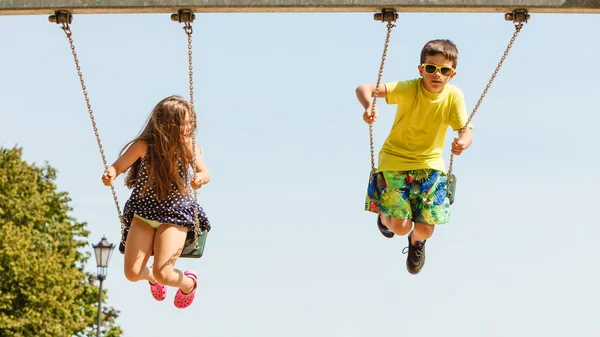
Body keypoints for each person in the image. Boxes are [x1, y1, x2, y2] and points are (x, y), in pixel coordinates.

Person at [355, 39, 472, 275]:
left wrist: (463, 143)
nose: (437, 75)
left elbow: (465, 130)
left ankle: (416, 243)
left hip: (430, 165)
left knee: (426, 229)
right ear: (421, 70)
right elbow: (364, 88)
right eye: (431, 68)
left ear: (452, 74)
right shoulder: (410, 88)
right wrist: (369, 106)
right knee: (400, 227)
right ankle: (384, 215)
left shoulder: (454, 97)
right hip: (395, 161)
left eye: (444, 70)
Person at [101, 95, 211, 308]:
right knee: (132, 274)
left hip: (174, 215)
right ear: (168, 124)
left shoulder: (189, 147)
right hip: (144, 213)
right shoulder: (144, 146)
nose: (190, 127)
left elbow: (205, 172)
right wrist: (110, 174)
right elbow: (118, 166)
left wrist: (199, 179)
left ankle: (188, 283)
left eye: (191, 122)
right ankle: (149, 276)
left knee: (164, 273)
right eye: (185, 122)